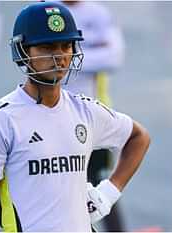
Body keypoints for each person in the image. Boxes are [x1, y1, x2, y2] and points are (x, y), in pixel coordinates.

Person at [0, 2, 150, 232]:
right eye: (46, 47)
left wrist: (107, 194)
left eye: (66, 45)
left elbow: (138, 137)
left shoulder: (86, 111)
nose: (59, 56)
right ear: (23, 51)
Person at [61, 1, 127, 231]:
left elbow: (114, 57)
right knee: (63, 187)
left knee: (99, 187)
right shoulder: (46, 11)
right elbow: (41, 63)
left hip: (93, 119)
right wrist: (92, 49)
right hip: (54, 119)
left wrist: (67, 54)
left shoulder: (98, 13)